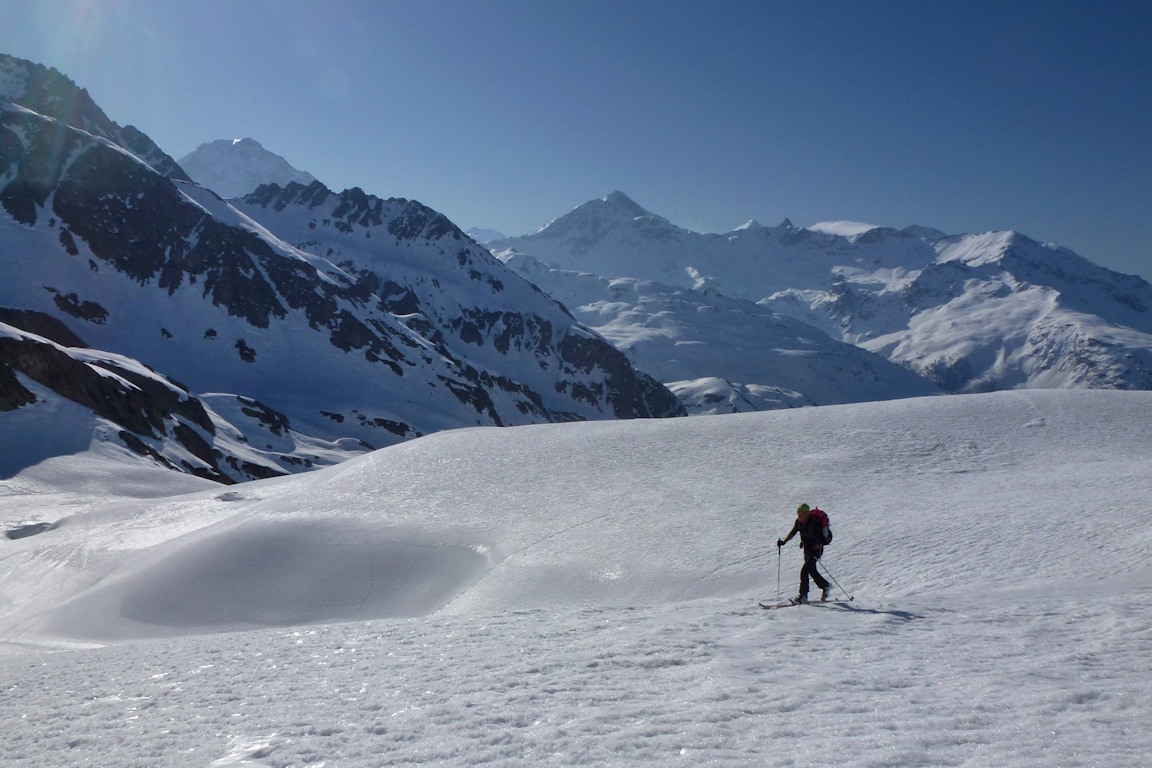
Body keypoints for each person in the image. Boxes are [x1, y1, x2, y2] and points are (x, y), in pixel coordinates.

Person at [777, 502, 831, 604]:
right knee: (811, 570)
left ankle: (803, 596)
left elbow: (826, 540)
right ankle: (825, 586)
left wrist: (818, 545)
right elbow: (793, 532)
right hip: (807, 549)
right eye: (798, 513)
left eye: (801, 514)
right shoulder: (799, 522)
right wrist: (784, 542)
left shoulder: (814, 523)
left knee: (805, 570)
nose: (799, 516)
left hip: (815, 551)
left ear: (807, 514)